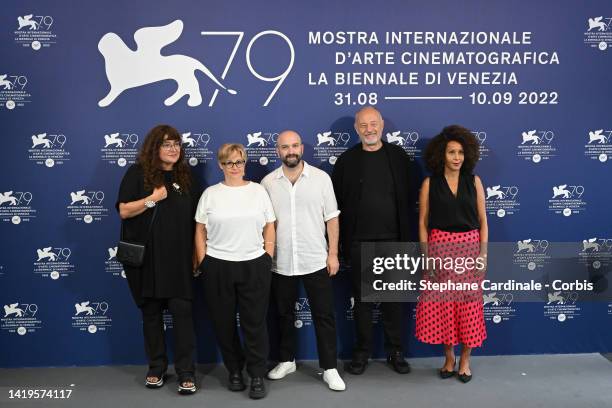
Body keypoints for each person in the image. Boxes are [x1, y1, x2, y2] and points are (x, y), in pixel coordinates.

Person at [116, 124, 200, 394]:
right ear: (155, 148)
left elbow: (200, 222)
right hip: (148, 261)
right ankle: (156, 367)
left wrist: (199, 255)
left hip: (178, 262)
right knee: (151, 315)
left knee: (183, 316)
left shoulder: (186, 176)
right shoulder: (137, 173)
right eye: (167, 144)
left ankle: (187, 372)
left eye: (176, 144)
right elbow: (125, 211)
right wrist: (152, 199)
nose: (174, 149)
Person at [261, 130, 346, 391]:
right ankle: (286, 360)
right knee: (283, 314)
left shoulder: (321, 179)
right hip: (281, 260)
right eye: (285, 147)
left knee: (324, 315)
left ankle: (330, 367)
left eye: (295, 145)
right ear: (278, 151)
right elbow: (266, 224)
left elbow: (332, 218)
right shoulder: (268, 183)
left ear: (302, 148)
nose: (291, 151)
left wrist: (332, 254)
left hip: (315, 258)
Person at [331, 106, 412, 375]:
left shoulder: (399, 157)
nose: (369, 129)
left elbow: (411, 201)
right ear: (356, 129)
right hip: (359, 242)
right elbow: (337, 207)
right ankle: (362, 353)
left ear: (382, 125)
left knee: (393, 302)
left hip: (394, 241)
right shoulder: (345, 162)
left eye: (373, 123)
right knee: (362, 304)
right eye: (363, 125)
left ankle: (396, 352)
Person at [194, 143, 276, 399]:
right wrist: (203, 261)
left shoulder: (258, 191)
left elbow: (270, 225)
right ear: (221, 165)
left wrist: (267, 256)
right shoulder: (210, 194)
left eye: (239, 162)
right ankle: (235, 371)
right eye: (229, 162)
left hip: (254, 264)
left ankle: (256, 375)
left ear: (244, 163)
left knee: (254, 324)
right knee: (223, 323)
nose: (235, 167)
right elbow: (199, 230)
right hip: (217, 265)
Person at [415, 125, 488, 383]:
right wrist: (426, 257)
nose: (457, 157)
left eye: (460, 152)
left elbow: (482, 220)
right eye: (451, 152)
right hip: (439, 249)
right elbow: (423, 223)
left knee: (469, 308)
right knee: (443, 307)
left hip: (469, 249)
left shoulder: (474, 181)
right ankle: (449, 358)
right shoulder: (429, 183)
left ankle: (465, 361)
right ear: (441, 155)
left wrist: (483, 254)